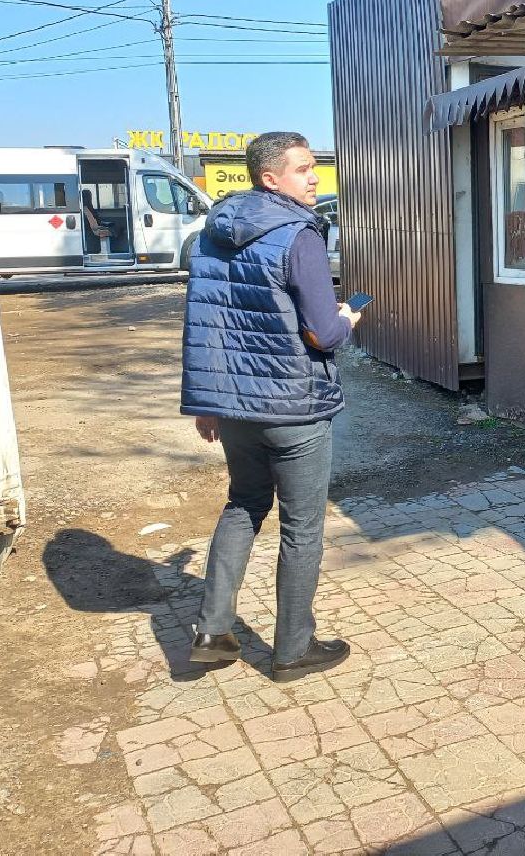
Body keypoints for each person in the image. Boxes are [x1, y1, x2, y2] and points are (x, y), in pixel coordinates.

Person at [181, 131, 360, 682]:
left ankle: (213, 630)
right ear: (270, 178)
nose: (314, 178)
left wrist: (207, 405)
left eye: (313, 168)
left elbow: (206, 324)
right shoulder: (298, 235)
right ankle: (292, 651)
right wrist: (348, 319)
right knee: (302, 528)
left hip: (235, 408)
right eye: (302, 169)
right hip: (294, 408)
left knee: (244, 504)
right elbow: (323, 333)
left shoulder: (210, 236)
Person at [81, 190, 111, 254]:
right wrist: (102, 227)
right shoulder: (86, 209)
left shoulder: (85, 208)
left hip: (92, 229)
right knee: (114, 230)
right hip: (94, 231)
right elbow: (94, 227)